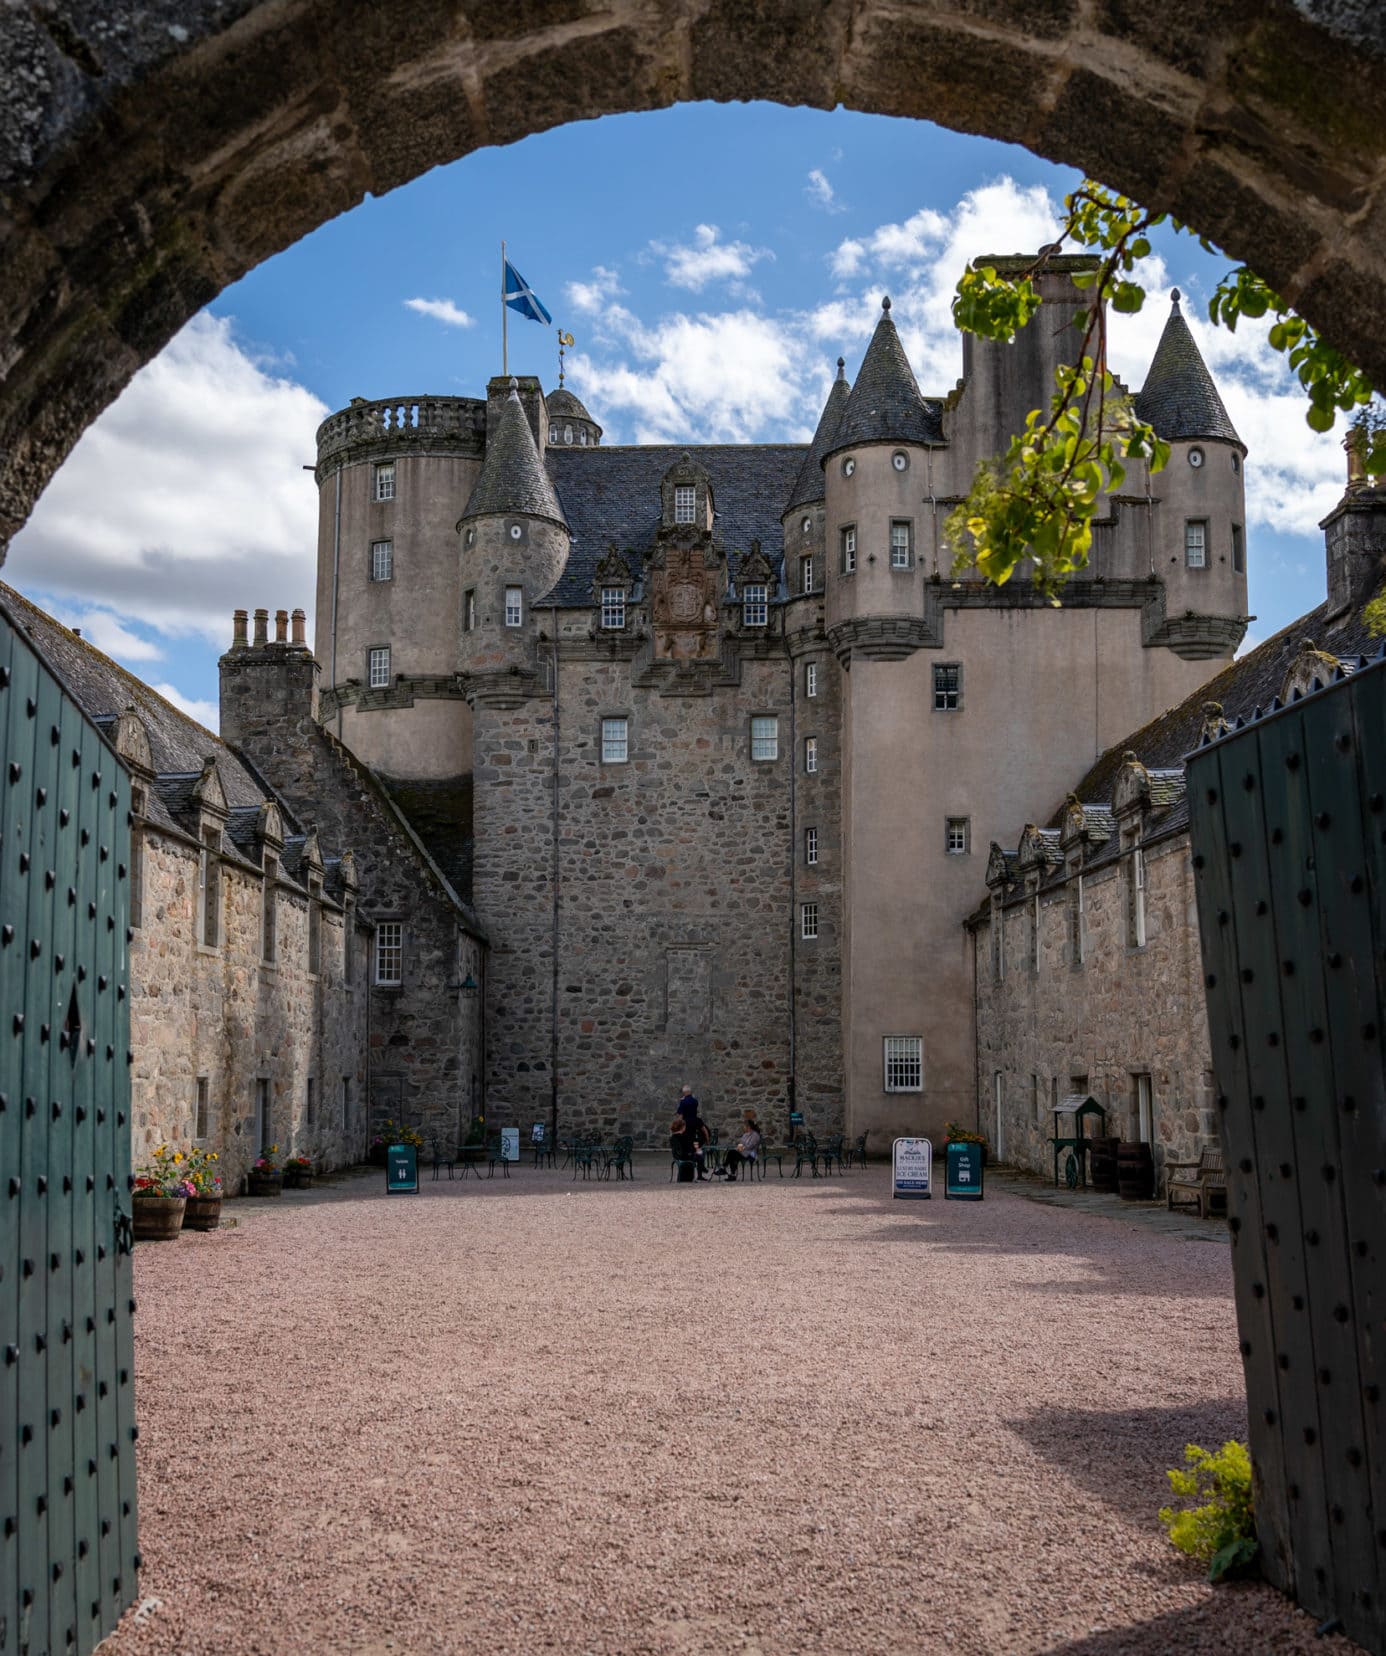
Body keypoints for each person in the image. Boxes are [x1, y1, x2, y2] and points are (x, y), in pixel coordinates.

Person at [720, 1111, 763, 1182]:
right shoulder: (745, 1134)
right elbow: (741, 1143)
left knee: (732, 1153)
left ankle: (725, 1169)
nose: (743, 1127)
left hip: (751, 1154)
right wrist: (740, 1147)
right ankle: (730, 1173)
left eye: (744, 1126)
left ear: (748, 1126)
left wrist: (741, 1147)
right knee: (732, 1154)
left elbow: (750, 1146)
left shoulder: (755, 1135)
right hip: (743, 1152)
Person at [670, 1114, 696, 1182]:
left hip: (676, 1155)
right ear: (682, 1127)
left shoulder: (672, 1137)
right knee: (700, 1156)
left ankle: (686, 1176)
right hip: (684, 1155)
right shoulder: (683, 1137)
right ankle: (698, 1175)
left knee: (695, 1155)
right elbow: (688, 1147)